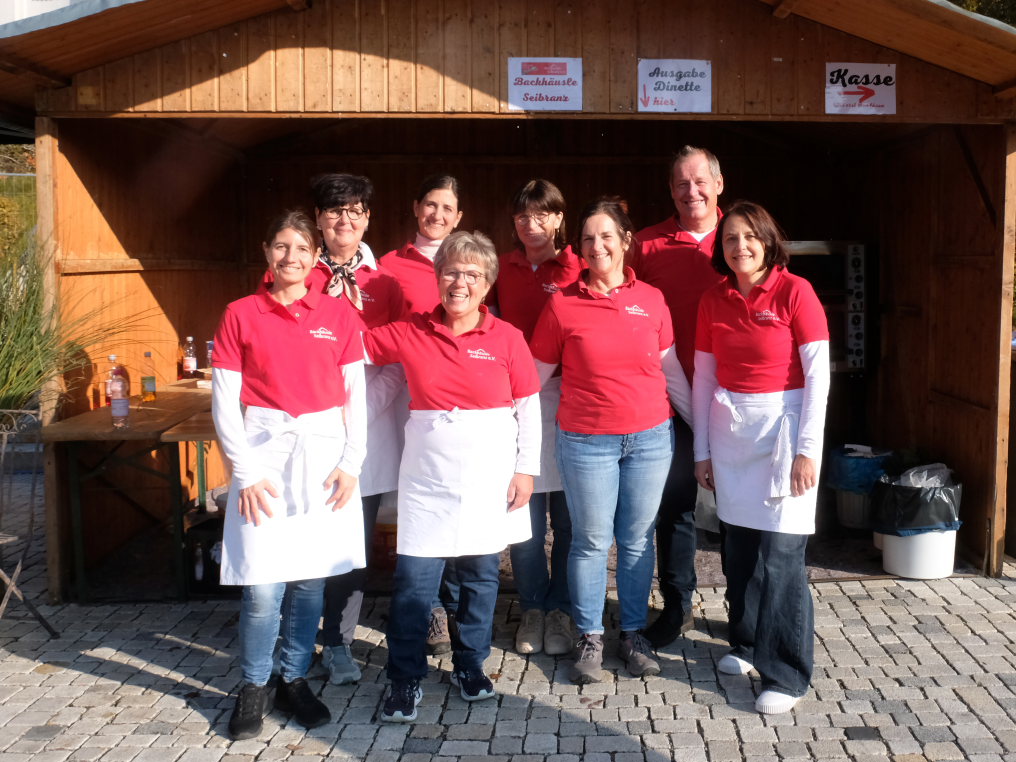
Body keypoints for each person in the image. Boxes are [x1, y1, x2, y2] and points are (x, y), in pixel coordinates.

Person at [365, 230, 541, 722]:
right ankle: (404, 678)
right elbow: (351, 347)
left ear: (487, 284)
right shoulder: (411, 330)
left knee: (481, 578)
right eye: (450, 272)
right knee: (414, 584)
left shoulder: (507, 338)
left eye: (472, 274)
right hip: (427, 483)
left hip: (490, 479)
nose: (459, 282)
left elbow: (528, 407)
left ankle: (470, 664)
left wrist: (526, 469)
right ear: (438, 277)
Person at [212, 211, 367, 740]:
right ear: (266, 251)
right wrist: (246, 472)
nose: (291, 257)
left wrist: (351, 464)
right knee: (262, 587)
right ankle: (254, 684)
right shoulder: (240, 314)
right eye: (281, 246)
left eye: (301, 248)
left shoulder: (339, 315)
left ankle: (293, 679)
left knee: (309, 581)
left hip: (323, 462)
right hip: (263, 458)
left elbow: (356, 397)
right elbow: (225, 402)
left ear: (315, 256)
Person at [530, 198, 692, 684]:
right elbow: (532, 379)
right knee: (591, 541)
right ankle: (590, 635)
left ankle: (634, 633)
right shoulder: (562, 303)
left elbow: (671, 373)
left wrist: (704, 435)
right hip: (586, 442)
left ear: (625, 242)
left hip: (650, 439)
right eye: (587, 238)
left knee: (638, 540)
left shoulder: (653, 299)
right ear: (579, 249)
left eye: (606, 236)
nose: (596, 245)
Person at [692, 200, 829, 715]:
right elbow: (703, 378)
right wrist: (703, 451)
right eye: (730, 238)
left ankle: (787, 673)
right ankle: (747, 643)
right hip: (732, 437)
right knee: (741, 549)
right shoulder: (713, 299)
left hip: (784, 435)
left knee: (784, 556)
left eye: (750, 236)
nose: (741, 246)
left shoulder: (796, 291)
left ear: (769, 241)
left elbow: (819, 378)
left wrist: (807, 450)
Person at [306, 174, 407, 685]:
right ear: (318, 218)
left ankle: (338, 641)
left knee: (353, 541)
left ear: (368, 218)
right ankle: (296, 637)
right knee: (304, 536)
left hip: (366, 425)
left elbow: (397, 359)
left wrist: (355, 414)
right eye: (334, 210)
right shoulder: (297, 272)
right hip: (306, 424)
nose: (344, 220)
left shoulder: (386, 284)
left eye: (355, 210)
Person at [633, 145, 726, 648]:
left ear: (718, 184)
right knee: (675, 508)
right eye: (682, 183)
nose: (692, 191)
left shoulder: (742, 238)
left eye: (700, 181)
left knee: (738, 510)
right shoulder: (646, 245)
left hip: (733, 400)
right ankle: (678, 606)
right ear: (671, 190)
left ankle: (746, 609)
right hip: (669, 400)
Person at [493, 179, 583, 657]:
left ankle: (561, 609)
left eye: (541, 214)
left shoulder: (577, 267)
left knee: (567, 520)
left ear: (558, 218)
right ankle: (531, 607)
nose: (531, 224)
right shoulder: (501, 267)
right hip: (515, 402)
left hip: (569, 400)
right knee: (523, 514)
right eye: (523, 216)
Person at [382, 173, 465, 653]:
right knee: (419, 504)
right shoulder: (390, 266)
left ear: (458, 217)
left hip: (459, 404)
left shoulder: (467, 261)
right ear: (416, 208)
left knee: (453, 499)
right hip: (408, 402)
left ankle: (454, 605)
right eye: (430, 205)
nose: (437, 214)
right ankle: (429, 609)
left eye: (447, 208)